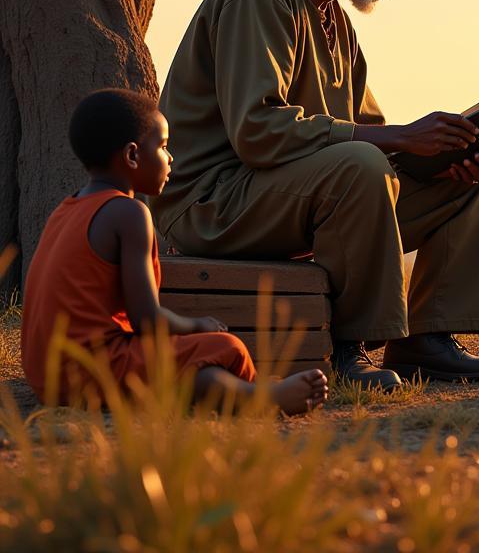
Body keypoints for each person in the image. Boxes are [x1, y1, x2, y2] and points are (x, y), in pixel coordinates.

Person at [151, 0, 479, 390]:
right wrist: (404, 139)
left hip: (294, 195)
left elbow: (376, 135)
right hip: (214, 203)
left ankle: (426, 342)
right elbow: (257, 132)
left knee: (476, 182)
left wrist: (441, 156)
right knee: (360, 168)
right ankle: (347, 348)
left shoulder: (338, 27)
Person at [20, 89, 328, 415]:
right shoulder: (128, 214)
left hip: (46, 378)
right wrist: (199, 324)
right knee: (225, 346)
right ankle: (262, 399)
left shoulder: (66, 209)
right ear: (133, 156)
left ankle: (250, 391)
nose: (170, 159)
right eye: (164, 147)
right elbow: (146, 320)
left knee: (194, 362)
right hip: (92, 371)